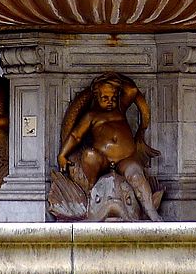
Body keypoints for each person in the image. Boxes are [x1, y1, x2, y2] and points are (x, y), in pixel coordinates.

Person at [56, 73, 160, 220]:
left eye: (113, 97)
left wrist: (114, 79)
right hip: (102, 159)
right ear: (96, 97)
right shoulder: (91, 116)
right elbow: (75, 136)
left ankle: (150, 210)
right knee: (89, 156)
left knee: (137, 176)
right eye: (105, 98)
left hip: (125, 159)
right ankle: (91, 191)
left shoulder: (120, 108)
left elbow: (132, 91)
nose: (110, 101)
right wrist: (62, 155)